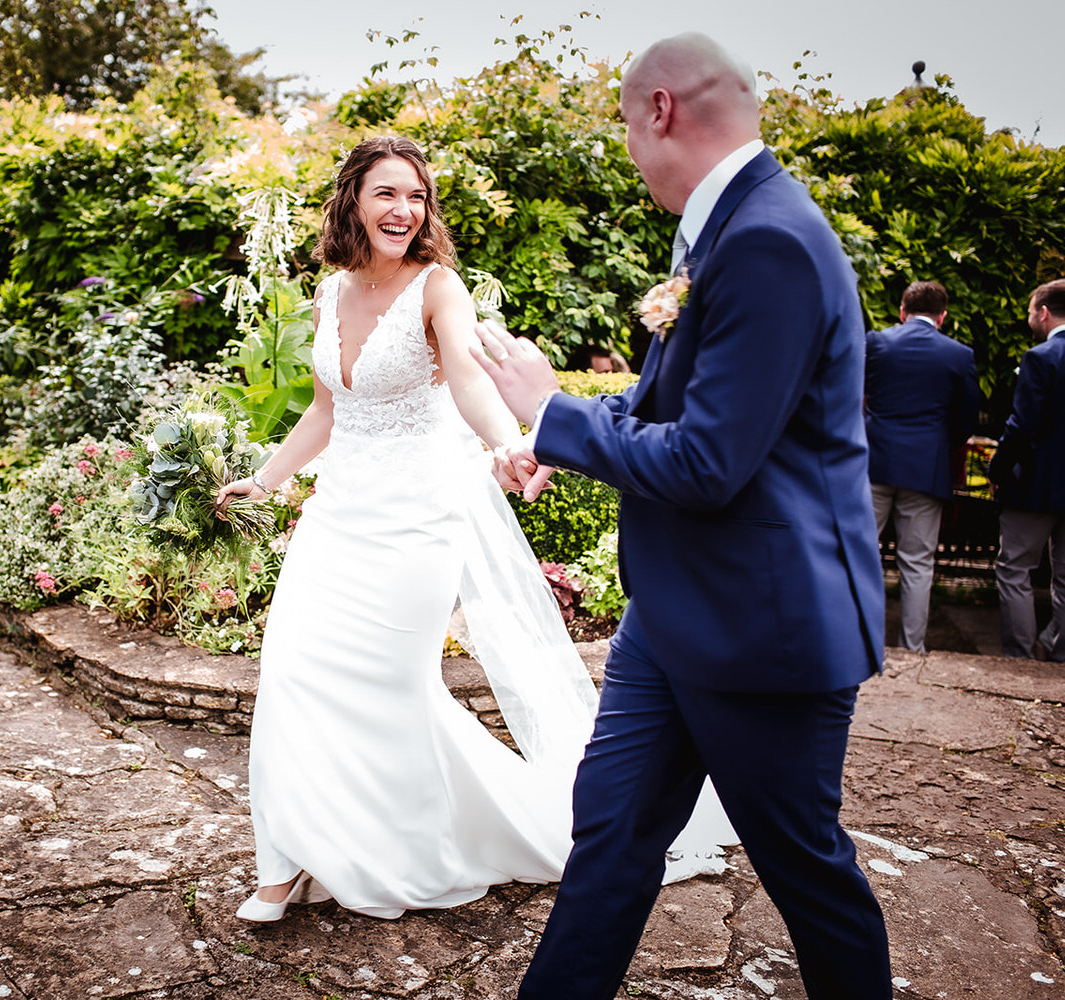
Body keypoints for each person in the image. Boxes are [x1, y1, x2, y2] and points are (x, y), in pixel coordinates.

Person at [213, 136, 734, 923]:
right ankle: (284, 860)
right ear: (353, 198)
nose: (404, 210)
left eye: (417, 196)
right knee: (290, 677)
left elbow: (465, 377)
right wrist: (265, 479)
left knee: (392, 691)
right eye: (387, 193)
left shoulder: (437, 287)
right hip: (336, 519)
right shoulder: (328, 294)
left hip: (419, 521)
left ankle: (407, 844)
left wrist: (506, 445)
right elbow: (326, 410)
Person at [471, 33, 892, 998]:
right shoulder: (726, 231)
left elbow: (708, 464)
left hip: (761, 627)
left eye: (626, 125)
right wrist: (557, 442)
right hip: (675, 618)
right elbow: (678, 412)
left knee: (805, 872)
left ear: (658, 110)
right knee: (611, 834)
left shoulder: (770, 240)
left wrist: (552, 409)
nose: (629, 147)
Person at [988, 279, 1065, 662]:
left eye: (1029, 312)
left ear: (1043, 312)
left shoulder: (1040, 357)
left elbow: (1022, 425)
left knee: (1014, 567)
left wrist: (998, 468)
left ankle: (1021, 657)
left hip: (1037, 486)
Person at [864, 280, 980, 651]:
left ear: (902, 311)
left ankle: (859, 639)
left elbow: (853, 397)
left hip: (874, 464)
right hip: (925, 470)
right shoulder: (959, 355)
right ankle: (912, 649)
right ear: (942, 317)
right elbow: (967, 420)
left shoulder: (877, 342)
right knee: (917, 564)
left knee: (860, 552)